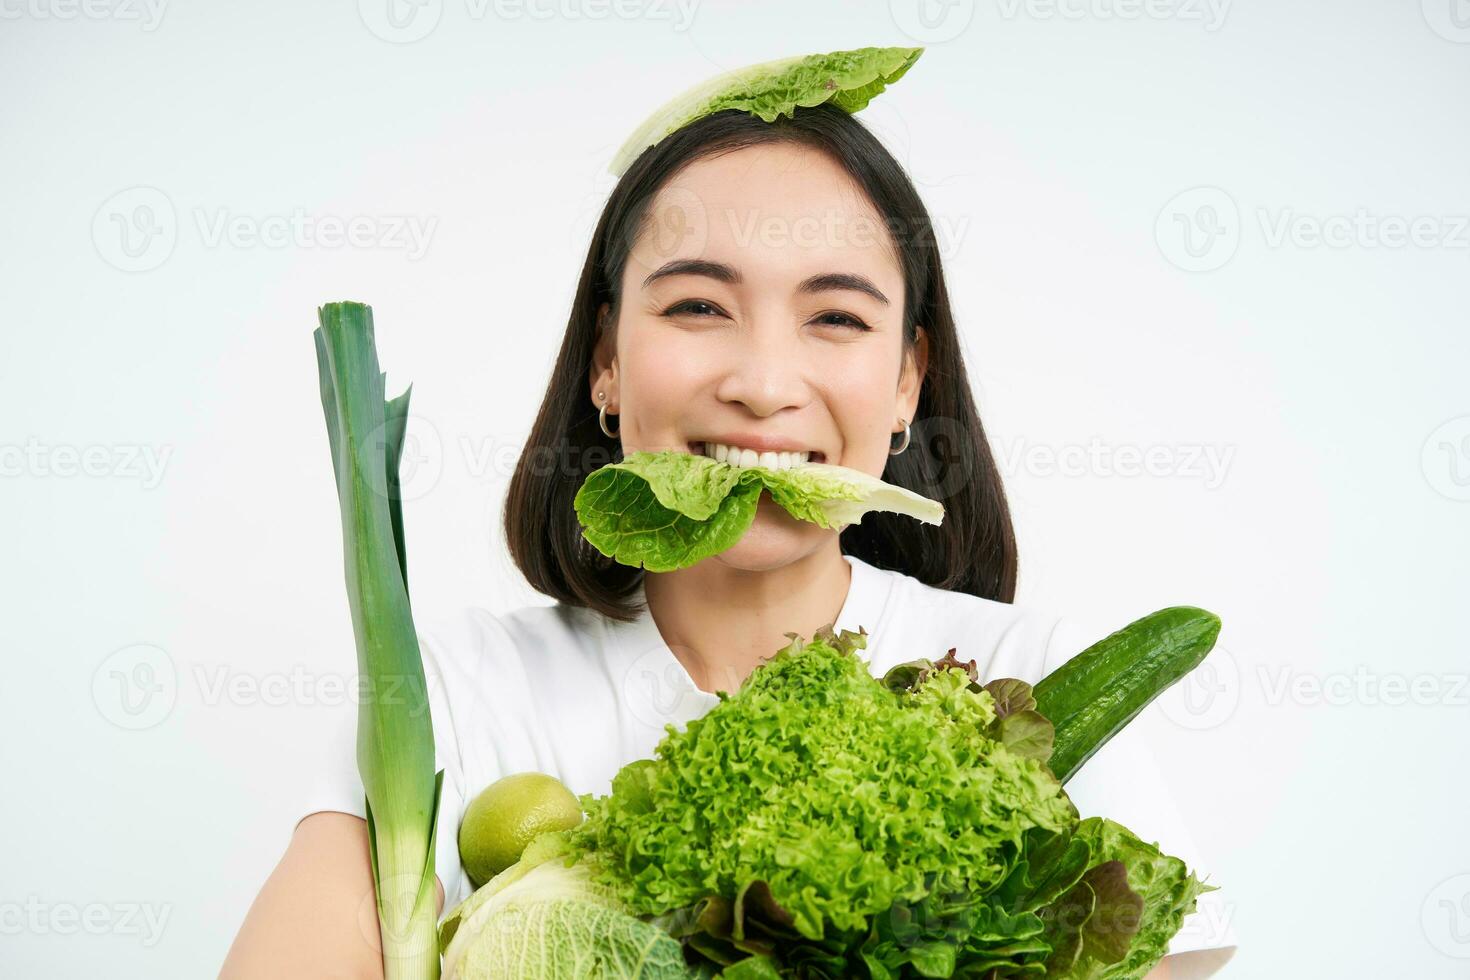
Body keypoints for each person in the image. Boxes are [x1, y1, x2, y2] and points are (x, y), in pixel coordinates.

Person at [220, 100, 1237, 978]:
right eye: (699, 304)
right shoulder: (455, 693)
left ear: (905, 381)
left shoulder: (1035, 681)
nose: (761, 381)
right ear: (606, 365)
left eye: (834, 317)